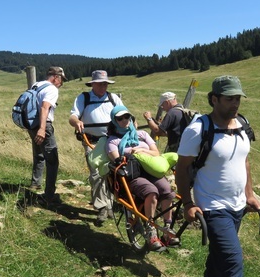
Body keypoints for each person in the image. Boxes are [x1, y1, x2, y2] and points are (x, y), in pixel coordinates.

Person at [174, 75, 260, 277]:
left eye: (238, 98)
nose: (235, 103)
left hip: (237, 204)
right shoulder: (198, 129)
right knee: (232, 260)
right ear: (214, 99)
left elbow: (244, 161)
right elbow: (181, 168)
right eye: (229, 98)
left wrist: (250, 194)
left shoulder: (242, 124)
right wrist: (188, 203)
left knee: (220, 254)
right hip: (212, 206)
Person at [106, 105, 180, 251]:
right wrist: (131, 156)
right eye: (119, 118)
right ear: (114, 121)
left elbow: (156, 153)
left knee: (167, 190)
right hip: (134, 175)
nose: (124, 120)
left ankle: (167, 228)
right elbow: (118, 162)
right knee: (151, 191)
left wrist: (141, 150)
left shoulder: (142, 135)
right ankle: (150, 230)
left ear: (131, 117)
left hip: (151, 171)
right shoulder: (113, 142)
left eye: (126, 116)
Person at [69, 70, 123, 225]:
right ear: (93, 84)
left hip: (113, 141)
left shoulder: (113, 98)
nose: (103, 86)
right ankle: (101, 207)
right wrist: (76, 122)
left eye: (105, 83)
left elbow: (124, 114)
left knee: (112, 172)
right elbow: (73, 116)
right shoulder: (83, 98)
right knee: (96, 174)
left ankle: (110, 204)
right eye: (100, 84)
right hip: (91, 142)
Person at [29, 66, 68, 207]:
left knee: (39, 154)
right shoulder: (52, 89)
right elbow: (44, 107)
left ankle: (35, 183)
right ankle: (49, 196)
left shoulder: (36, 85)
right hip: (43, 125)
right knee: (52, 161)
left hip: (31, 124)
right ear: (55, 77)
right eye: (61, 80)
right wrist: (42, 128)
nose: (61, 84)